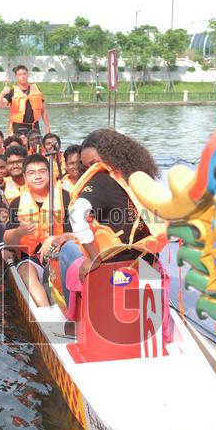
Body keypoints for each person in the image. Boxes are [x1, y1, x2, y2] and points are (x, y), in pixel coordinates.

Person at [59, 129, 165, 304]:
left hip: (113, 263)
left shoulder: (102, 179)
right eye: (86, 167)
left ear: (110, 156)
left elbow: (77, 214)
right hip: (148, 259)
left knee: (67, 249)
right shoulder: (141, 176)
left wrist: (94, 258)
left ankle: (72, 316)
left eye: (94, 163)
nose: (91, 170)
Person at [2, 154, 73, 307]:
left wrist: (56, 239)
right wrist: (19, 232)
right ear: (25, 178)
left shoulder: (66, 198)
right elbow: (8, 242)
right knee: (26, 272)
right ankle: (44, 311)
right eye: (32, 173)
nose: (38, 176)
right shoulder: (17, 203)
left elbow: (77, 235)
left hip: (60, 254)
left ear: (49, 174)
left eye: (42, 171)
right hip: (31, 258)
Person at [0, 64, 50, 137]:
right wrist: (2, 94)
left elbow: (43, 110)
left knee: (37, 147)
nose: (23, 76)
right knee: (17, 147)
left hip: (34, 128)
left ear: (27, 75)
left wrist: (47, 127)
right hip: (18, 129)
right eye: (20, 75)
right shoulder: (12, 92)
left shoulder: (36, 90)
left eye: (24, 74)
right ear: (16, 77)